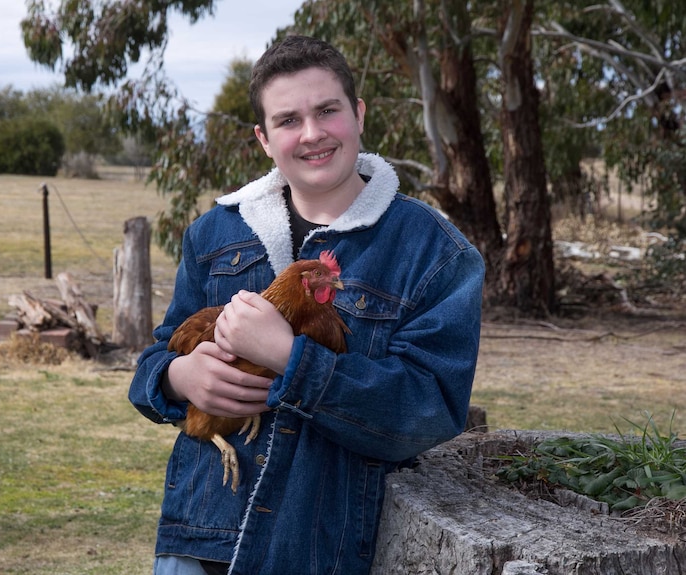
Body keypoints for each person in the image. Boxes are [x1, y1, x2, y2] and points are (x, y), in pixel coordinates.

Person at [129, 34, 485, 575]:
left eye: (327, 111)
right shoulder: (216, 233)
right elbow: (152, 365)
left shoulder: (434, 252)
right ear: (264, 139)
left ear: (358, 114)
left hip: (324, 549)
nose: (312, 134)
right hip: (200, 543)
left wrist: (289, 358)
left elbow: (429, 412)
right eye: (288, 120)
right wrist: (180, 377)